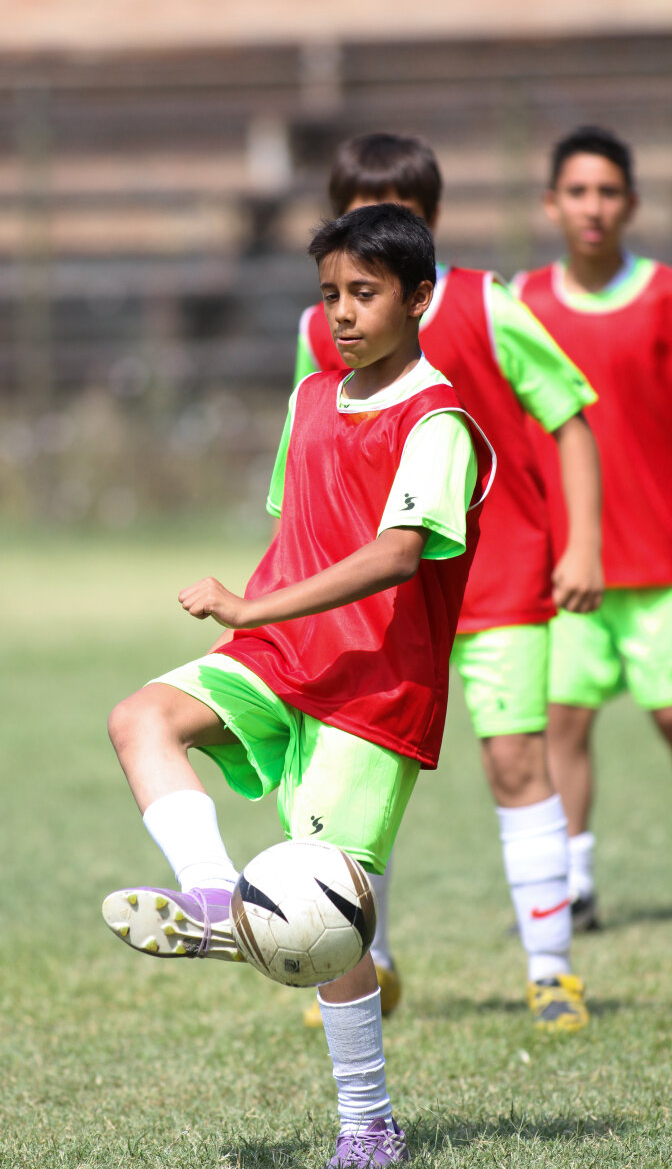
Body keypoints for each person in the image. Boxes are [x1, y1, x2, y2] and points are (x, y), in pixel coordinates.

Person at [102, 203, 492, 1168]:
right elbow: (303, 529)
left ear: (419, 297)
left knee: (327, 910)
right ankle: (210, 899)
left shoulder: (439, 421)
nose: (342, 313)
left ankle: (369, 1125)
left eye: (364, 292)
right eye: (329, 294)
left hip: (376, 686)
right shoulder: (311, 397)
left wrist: (252, 605)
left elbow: (396, 554)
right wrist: (262, 618)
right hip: (279, 655)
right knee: (142, 718)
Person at [293, 134, 602, 1033]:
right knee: (358, 776)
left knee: (515, 762)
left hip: (498, 578)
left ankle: (551, 970)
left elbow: (568, 415)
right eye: (359, 217)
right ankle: (367, 962)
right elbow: (314, 459)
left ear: (428, 226)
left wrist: (581, 543)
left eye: (399, 216)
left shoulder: (488, 303)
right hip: (380, 598)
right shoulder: (322, 328)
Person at [513, 125, 672, 929]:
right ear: (551, 204)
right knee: (564, 722)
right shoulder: (524, 301)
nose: (593, 207)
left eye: (608, 192)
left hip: (661, 561)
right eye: (577, 191)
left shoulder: (663, 294)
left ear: (631, 204)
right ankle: (574, 886)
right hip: (570, 563)